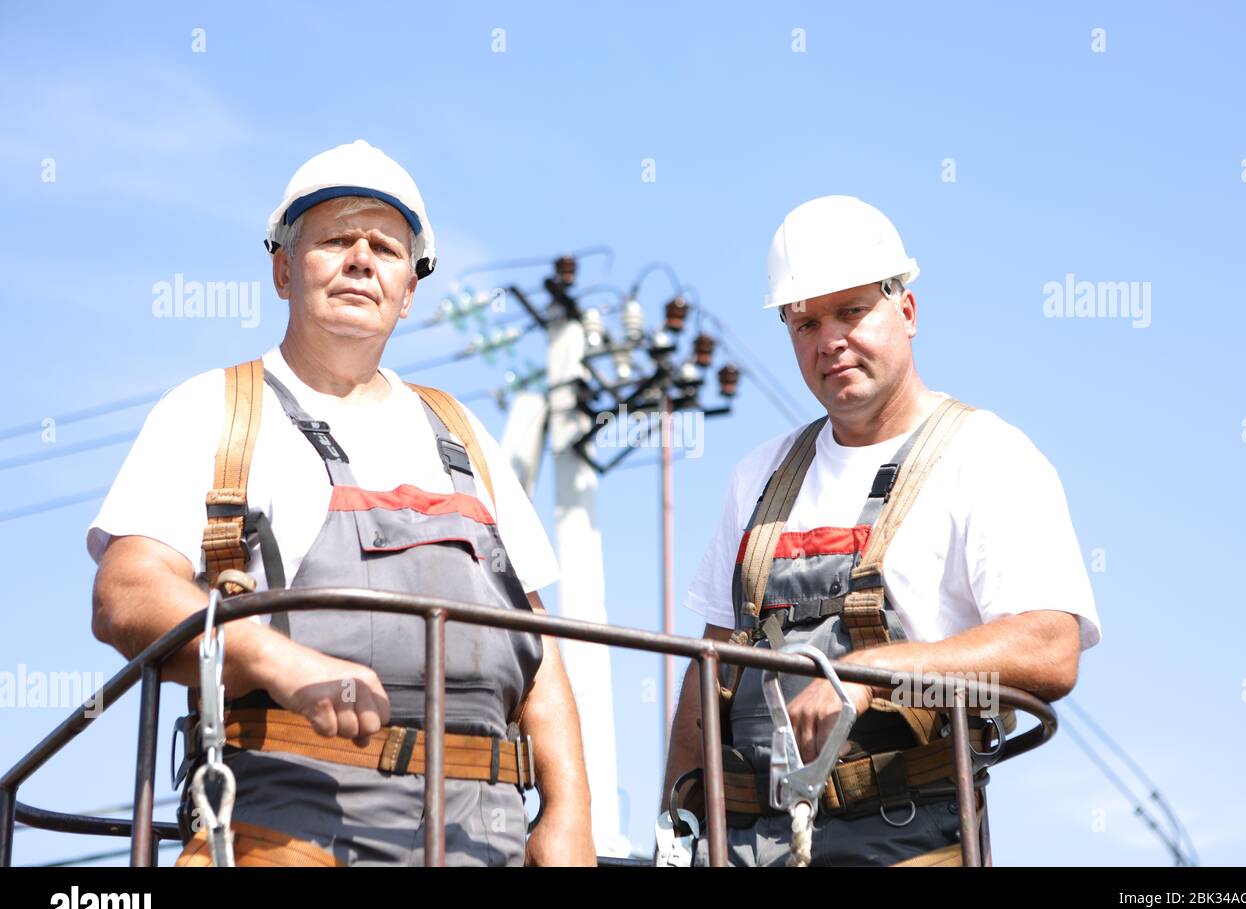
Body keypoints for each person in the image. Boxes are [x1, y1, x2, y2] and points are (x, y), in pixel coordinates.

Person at [89, 140, 594, 866]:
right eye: (335, 240)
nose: (361, 259)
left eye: (386, 248)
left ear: (409, 288)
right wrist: (276, 660)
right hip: (287, 829)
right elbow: (125, 592)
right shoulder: (214, 411)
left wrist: (570, 814)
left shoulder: (460, 430)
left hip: (485, 840)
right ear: (284, 269)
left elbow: (536, 646)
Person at [661, 195, 1102, 866]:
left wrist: (877, 668)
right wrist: (681, 825)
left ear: (908, 310)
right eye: (804, 321)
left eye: (852, 310)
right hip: (752, 846)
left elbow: (1050, 648)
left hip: (910, 839)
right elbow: (712, 667)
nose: (829, 340)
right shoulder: (760, 476)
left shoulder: (985, 457)